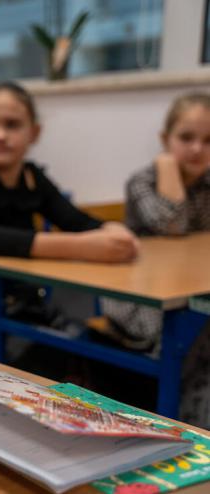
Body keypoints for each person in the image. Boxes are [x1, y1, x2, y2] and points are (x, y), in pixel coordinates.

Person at [0, 81, 138, 330]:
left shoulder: (31, 175)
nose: (0, 135)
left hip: (25, 301)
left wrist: (111, 229)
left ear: (34, 132)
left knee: (83, 341)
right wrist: (81, 247)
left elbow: (74, 220)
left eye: (12, 125)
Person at [102, 92, 210, 428]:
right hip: (141, 301)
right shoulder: (143, 181)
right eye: (186, 138)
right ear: (165, 140)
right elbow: (172, 225)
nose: (196, 149)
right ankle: (186, 427)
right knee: (197, 338)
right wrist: (167, 167)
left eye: (208, 140)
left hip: (188, 293)